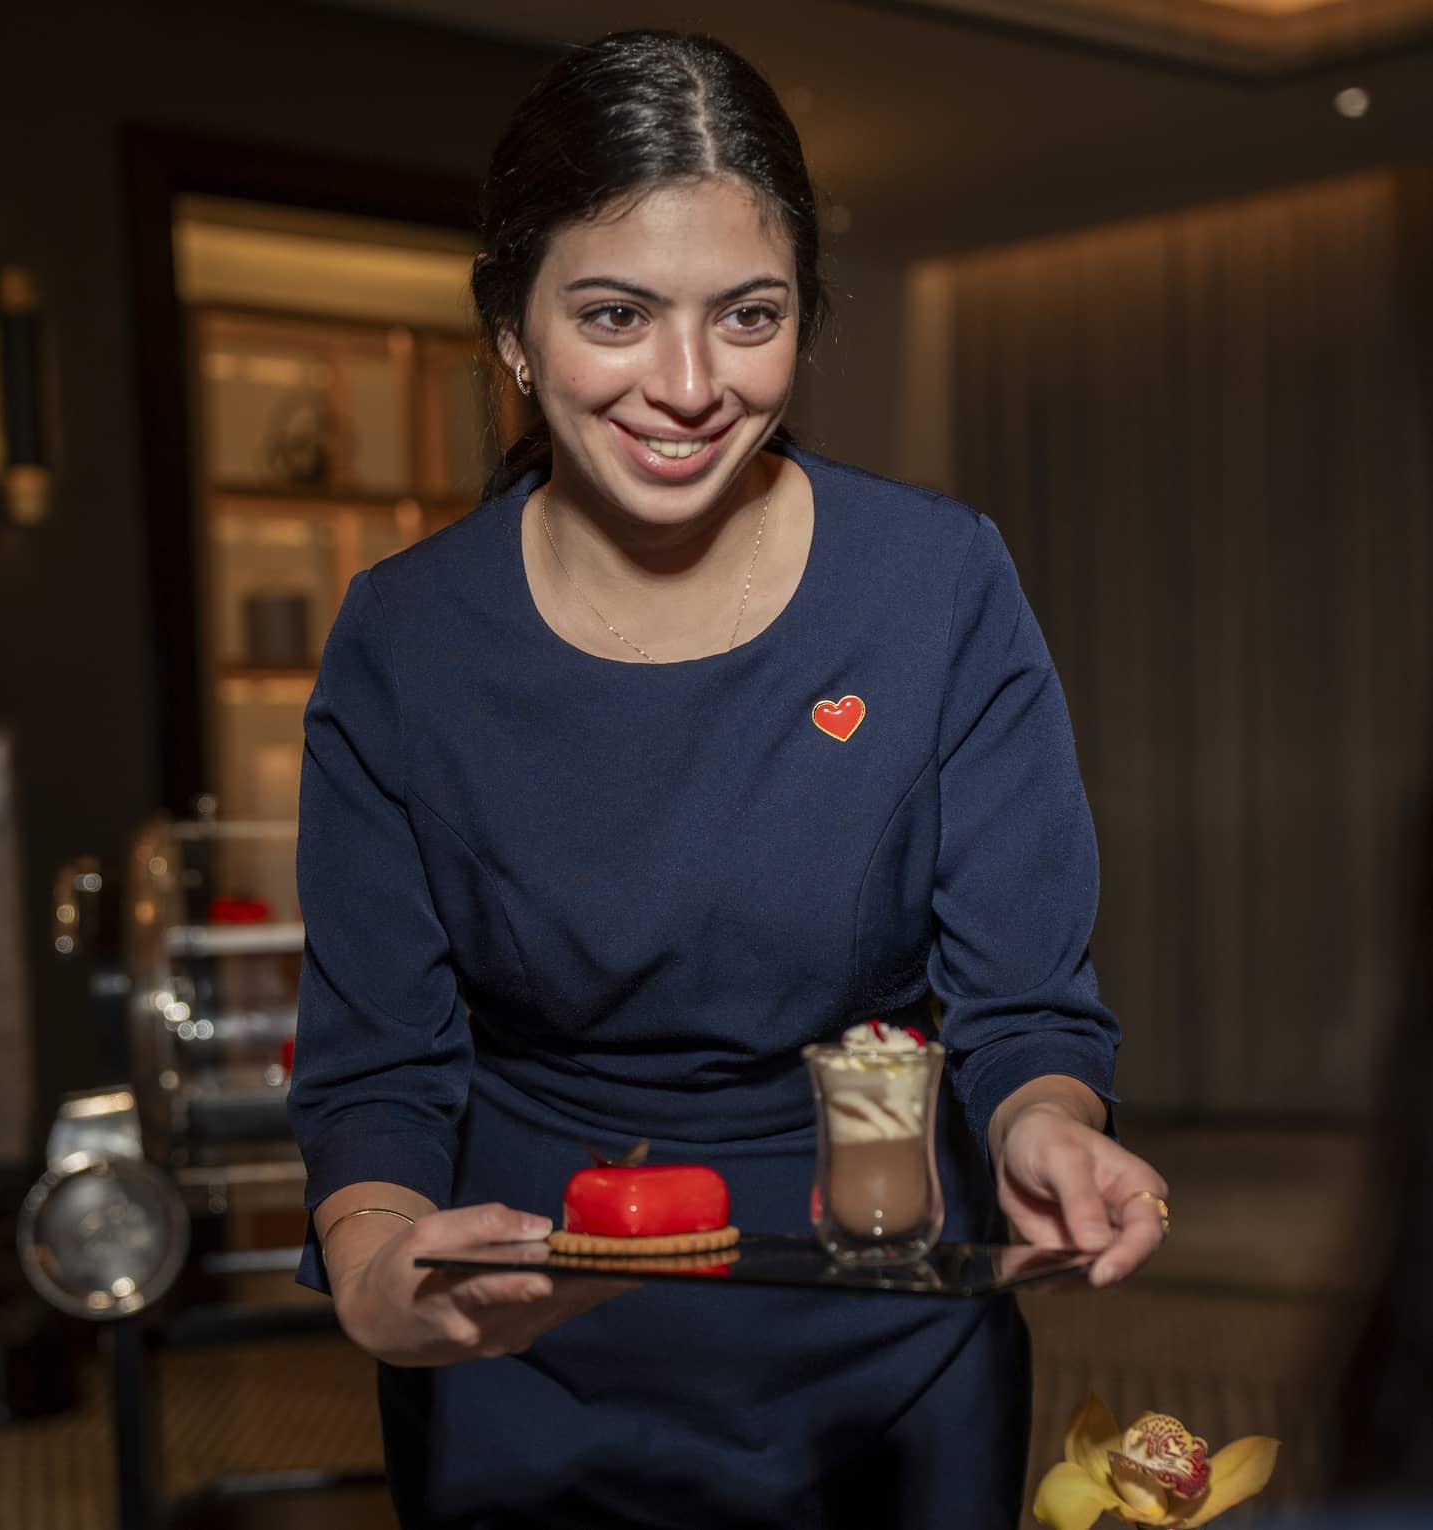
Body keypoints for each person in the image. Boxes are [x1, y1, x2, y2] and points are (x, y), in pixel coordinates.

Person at [287, 30, 1170, 1530]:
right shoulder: (403, 636)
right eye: (615, 314)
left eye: (746, 315)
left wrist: (1045, 1128)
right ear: (511, 325)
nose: (687, 385)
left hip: (888, 1336)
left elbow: (1023, 1003)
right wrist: (378, 1265)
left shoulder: (935, 583)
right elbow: (378, 1061)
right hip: (525, 1353)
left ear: (801, 321)